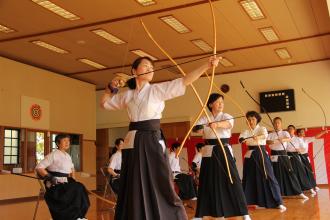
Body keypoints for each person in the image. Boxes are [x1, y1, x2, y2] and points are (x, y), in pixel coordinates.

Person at [100, 55, 220, 220]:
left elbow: (184, 80)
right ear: (134, 71)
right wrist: (110, 88)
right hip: (132, 141)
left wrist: (206, 66)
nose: (150, 69)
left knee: (161, 179)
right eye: (145, 66)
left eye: (151, 66)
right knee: (134, 182)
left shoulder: (156, 90)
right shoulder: (128, 95)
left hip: (151, 138)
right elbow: (105, 103)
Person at [193, 93, 250, 220]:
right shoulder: (204, 117)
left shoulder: (226, 116)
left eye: (222, 102)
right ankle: (200, 215)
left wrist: (216, 124)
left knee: (232, 179)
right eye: (218, 102)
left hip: (223, 149)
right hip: (208, 151)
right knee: (206, 181)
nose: (221, 104)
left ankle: (244, 213)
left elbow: (228, 124)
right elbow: (196, 129)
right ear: (210, 104)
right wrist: (203, 125)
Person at [35, 134, 90, 220]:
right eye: (64, 141)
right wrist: (50, 177)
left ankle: (79, 216)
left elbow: (72, 169)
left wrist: (74, 181)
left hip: (66, 182)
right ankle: (74, 217)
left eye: (68, 141)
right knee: (77, 188)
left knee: (80, 187)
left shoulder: (68, 156)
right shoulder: (53, 155)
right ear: (58, 143)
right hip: (56, 185)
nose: (67, 143)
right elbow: (39, 168)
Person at [239, 111, 285, 211]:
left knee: (269, 176)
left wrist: (257, 137)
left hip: (260, 152)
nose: (251, 121)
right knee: (249, 177)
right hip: (250, 155)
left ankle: (278, 202)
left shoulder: (262, 128)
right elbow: (241, 139)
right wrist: (245, 138)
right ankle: (250, 202)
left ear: (257, 120)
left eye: (253, 119)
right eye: (249, 119)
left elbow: (264, 135)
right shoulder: (245, 131)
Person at [266, 117, 307, 199]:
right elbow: (267, 142)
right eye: (275, 123)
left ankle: (299, 192)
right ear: (273, 124)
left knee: (290, 172)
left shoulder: (285, 132)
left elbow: (288, 139)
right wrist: (276, 141)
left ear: (281, 124)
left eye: (278, 123)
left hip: (283, 154)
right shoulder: (270, 134)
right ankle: (278, 193)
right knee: (275, 173)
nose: (277, 124)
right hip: (274, 155)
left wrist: (279, 140)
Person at [287, 125, 315, 194]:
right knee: (291, 173)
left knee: (301, 172)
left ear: (294, 130)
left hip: (296, 155)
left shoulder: (297, 139)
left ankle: (309, 187)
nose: (290, 130)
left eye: (291, 129)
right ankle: (295, 189)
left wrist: (298, 149)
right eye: (289, 129)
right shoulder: (285, 138)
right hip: (288, 156)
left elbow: (303, 148)